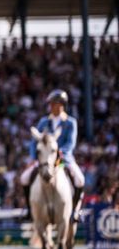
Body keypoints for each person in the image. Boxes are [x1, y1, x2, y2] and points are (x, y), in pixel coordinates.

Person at [19, 89, 85, 221]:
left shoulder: (71, 122)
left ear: (61, 104)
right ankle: (29, 210)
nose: (50, 106)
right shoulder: (44, 122)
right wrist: (33, 157)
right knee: (24, 178)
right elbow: (34, 143)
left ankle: (75, 211)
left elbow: (70, 143)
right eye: (50, 104)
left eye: (53, 103)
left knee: (79, 179)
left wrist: (59, 155)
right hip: (44, 159)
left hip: (63, 159)